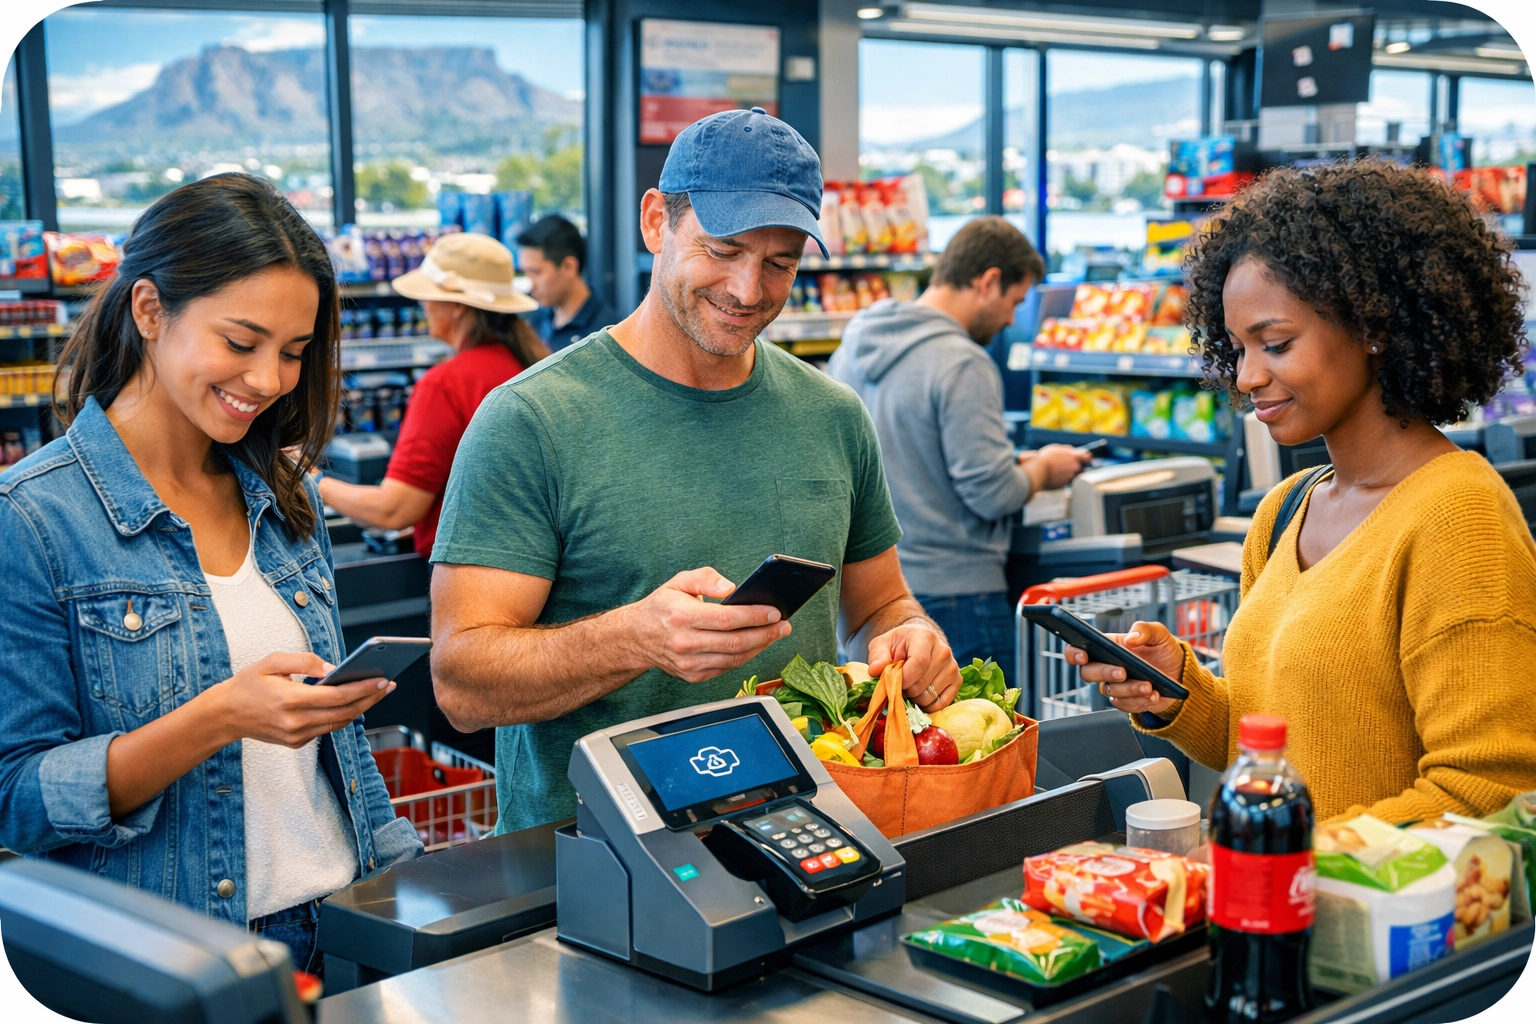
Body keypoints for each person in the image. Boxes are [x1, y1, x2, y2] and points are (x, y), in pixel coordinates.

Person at [430, 107, 963, 833]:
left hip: (803, 837)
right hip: (588, 868)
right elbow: (461, 681)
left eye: (780, 263)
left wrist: (911, 635)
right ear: (656, 221)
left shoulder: (833, 416)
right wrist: (634, 638)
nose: (749, 290)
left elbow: (880, 605)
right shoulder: (532, 420)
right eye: (722, 249)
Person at [0, 173, 422, 974]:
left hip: (350, 925)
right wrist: (218, 717)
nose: (268, 381)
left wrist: (413, 884)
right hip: (183, 959)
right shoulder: (31, 519)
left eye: (294, 353)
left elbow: (342, 759)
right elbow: (17, 798)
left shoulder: (282, 495)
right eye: (241, 342)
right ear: (151, 310)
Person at [1067, 160, 1536, 824]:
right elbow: (1264, 747)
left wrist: (1279, 864)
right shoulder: (1285, 510)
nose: (1249, 376)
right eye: (1236, 348)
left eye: (1277, 344)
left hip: (1379, 921)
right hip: (1281, 917)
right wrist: (1178, 692)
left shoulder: (1458, 518)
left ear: (1375, 325)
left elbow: (1489, 790)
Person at [828, 217, 1090, 668]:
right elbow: (991, 493)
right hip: (957, 597)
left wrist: (1008, 462)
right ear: (988, 281)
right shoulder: (963, 363)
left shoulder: (851, 348)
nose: (1011, 319)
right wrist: (1045, 469)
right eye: (1014, 301)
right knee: (984, 734)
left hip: (870, 600)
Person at [316, 233, 547, 557]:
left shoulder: (446, 384)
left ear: (455, 306)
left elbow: (394, 511)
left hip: (473, 572)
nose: (421, 304)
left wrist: (312, 481)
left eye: (428, 295)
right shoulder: (532, 364)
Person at [516, 215, 619, 352]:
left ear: (569, 267)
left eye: (536, 273)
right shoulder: (536, 320)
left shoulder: (607, 333)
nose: (531, 285)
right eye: (526, 273)